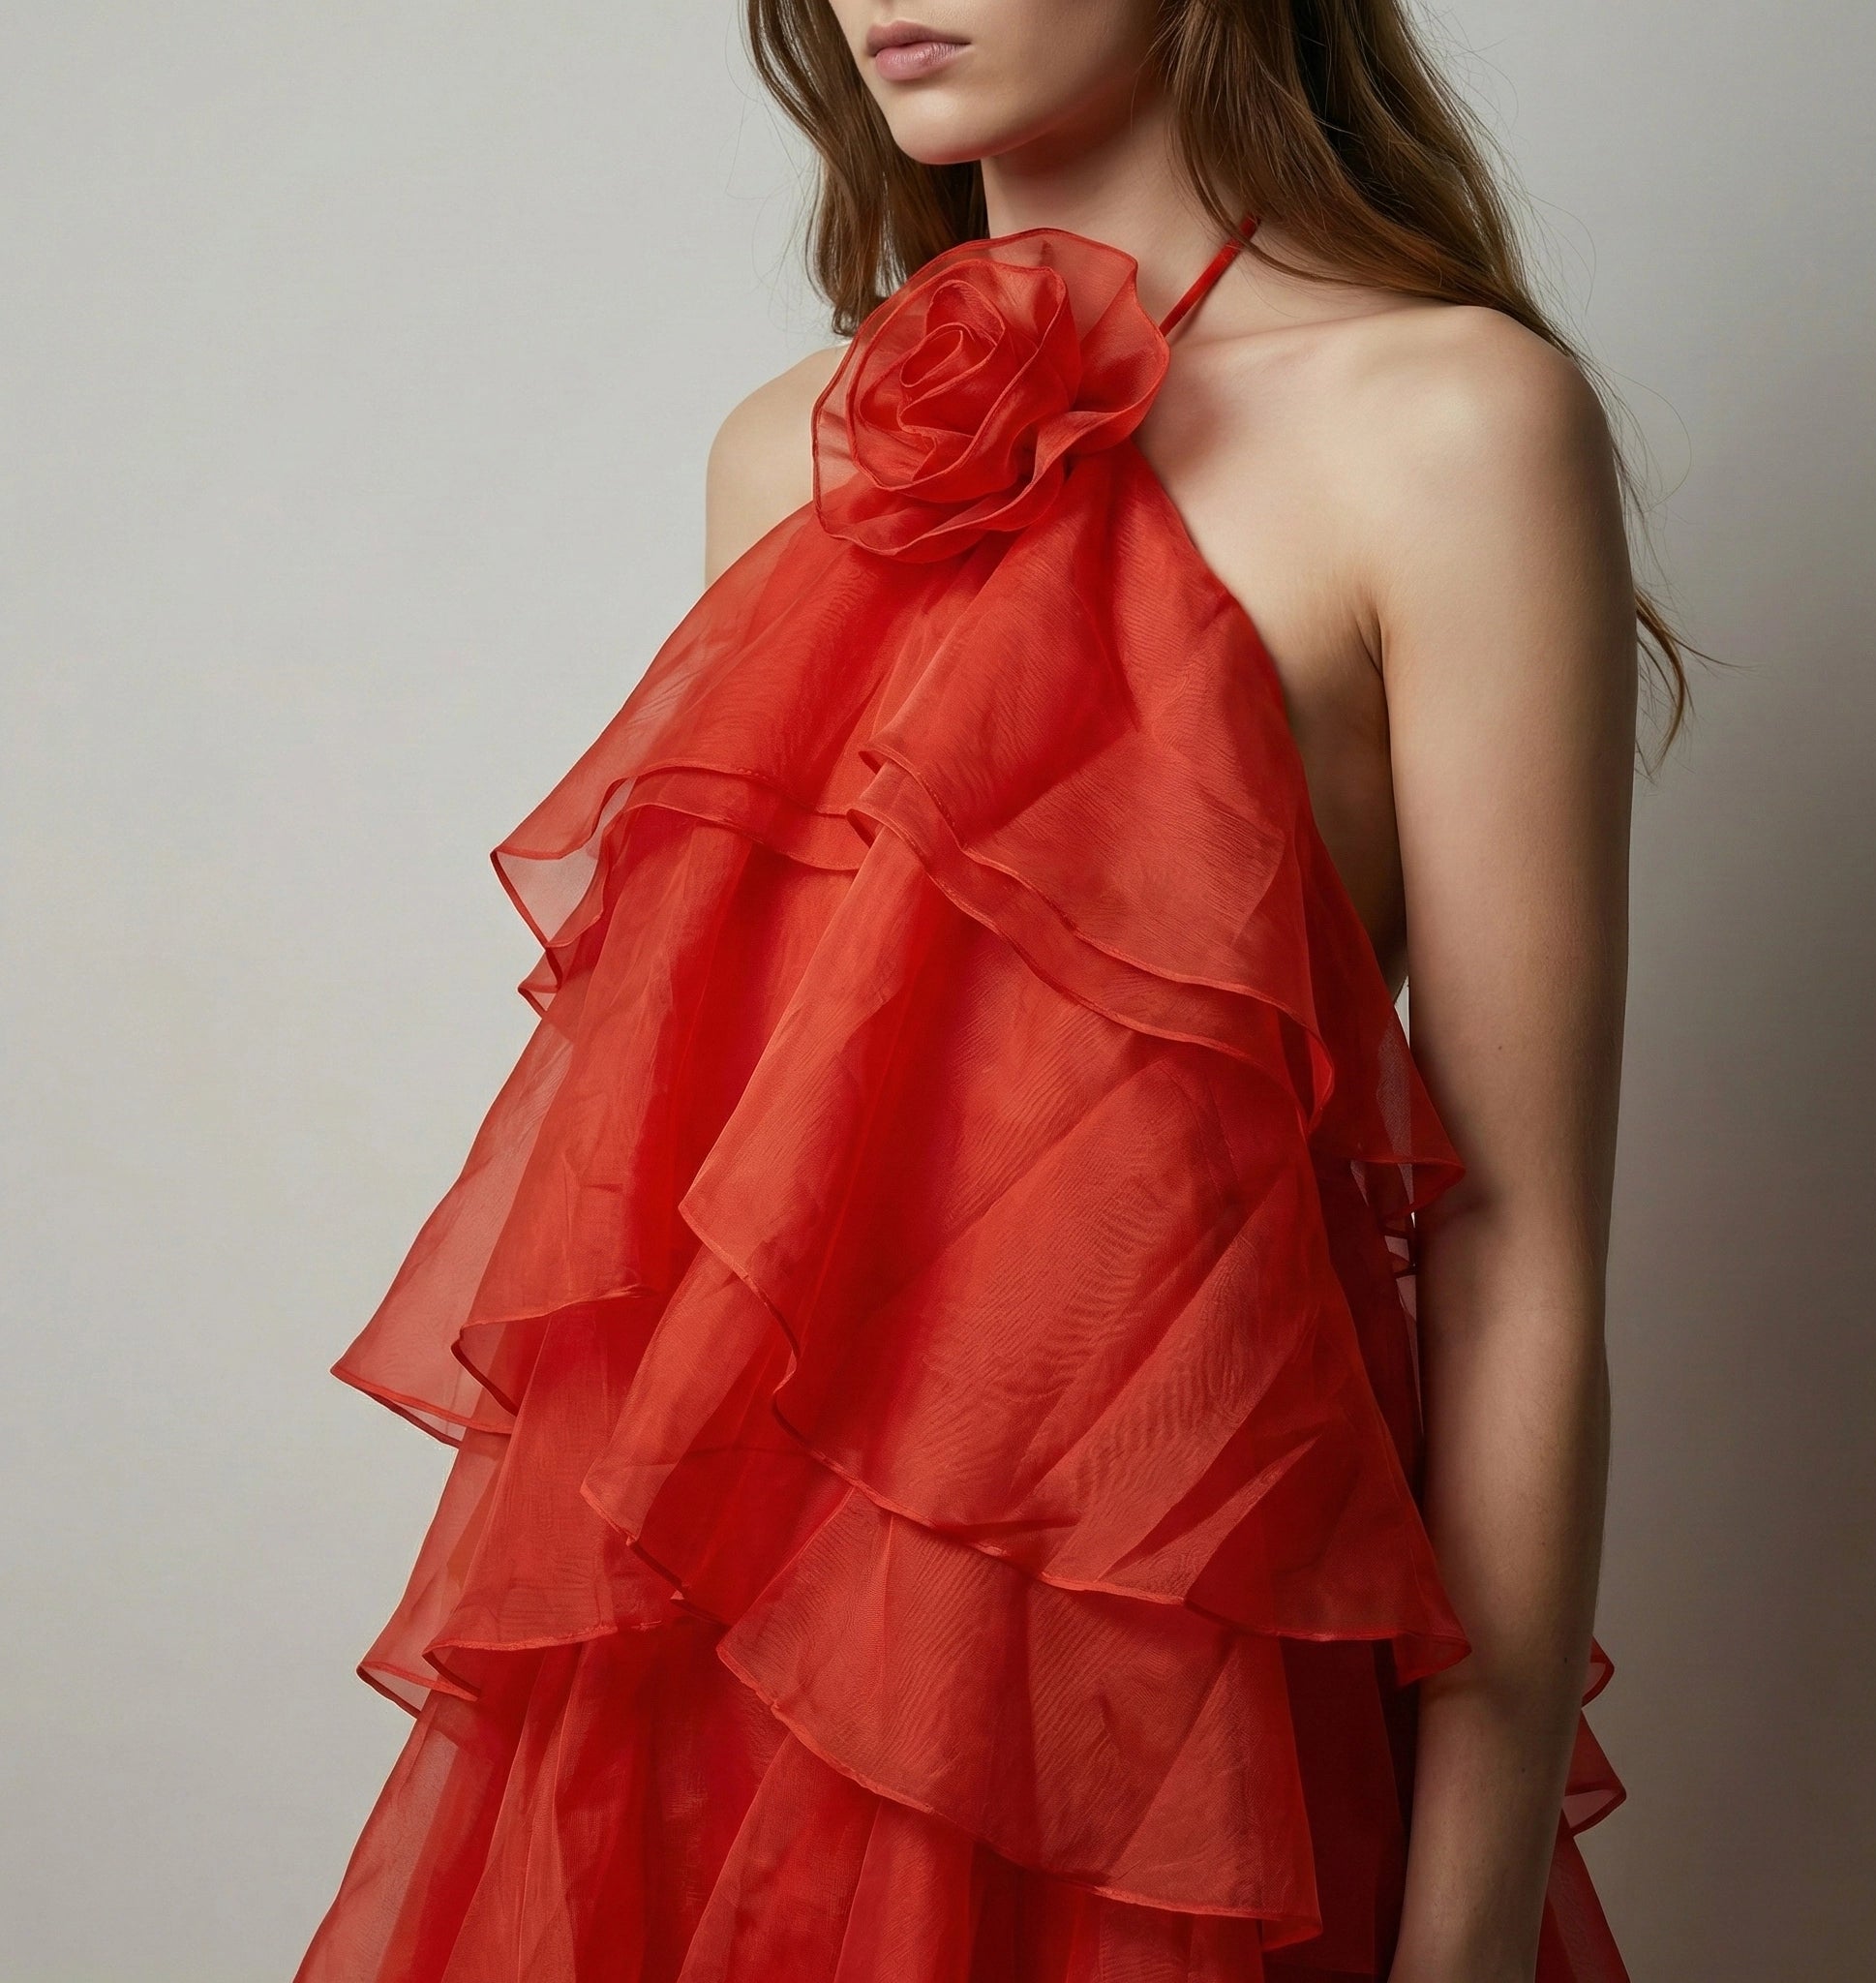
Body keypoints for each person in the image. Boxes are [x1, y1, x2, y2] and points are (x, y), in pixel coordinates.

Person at [299, 5, 1675, 1979]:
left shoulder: (1446, 423)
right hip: (739, 1718)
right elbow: (724, 1198)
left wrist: (1452, 1940)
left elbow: (1512, 1245)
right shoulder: (792, 447)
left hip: (1174, 1694)